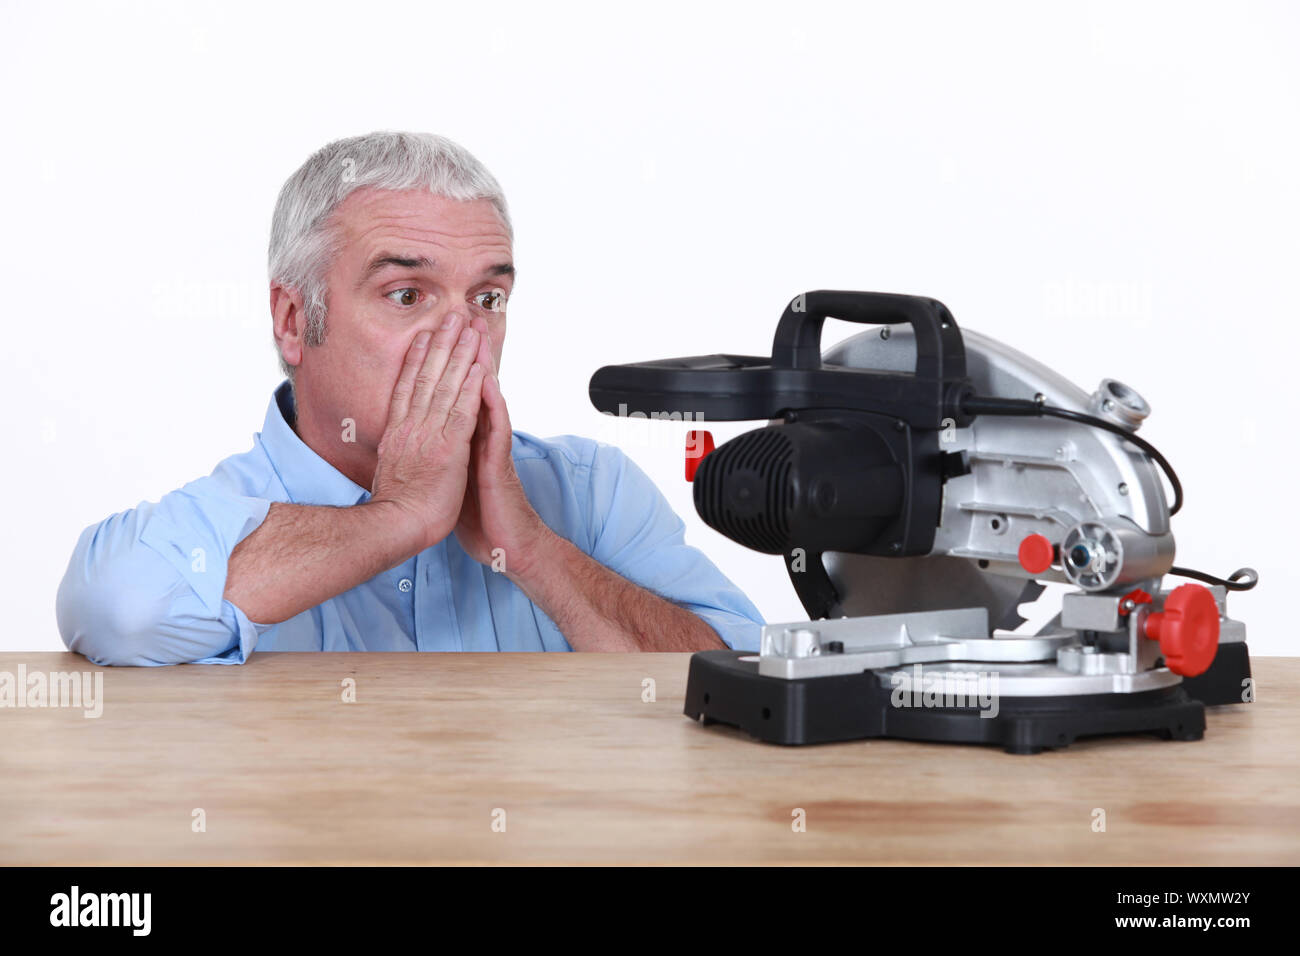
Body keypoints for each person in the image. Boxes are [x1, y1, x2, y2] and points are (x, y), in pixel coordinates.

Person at [56, 131, 764, 664]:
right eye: (407, 295)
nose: (465, 338)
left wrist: (533, 552)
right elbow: (122, 609)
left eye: (488, 297)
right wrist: (399, 518)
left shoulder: (589, 492)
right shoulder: (221, 521)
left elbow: (750, 684)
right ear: (293, 320)